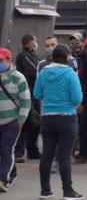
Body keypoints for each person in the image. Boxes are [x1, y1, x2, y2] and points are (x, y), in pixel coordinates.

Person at [34, 44, 83, 200]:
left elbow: (37, 93)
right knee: (64, 156)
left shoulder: (43, 72)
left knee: (47, 155)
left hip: (47, 117)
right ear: (67, 56)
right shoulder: (70, 74)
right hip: (66, 117)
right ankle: (67, 191)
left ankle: (45, 191)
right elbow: (77, 98)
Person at [0, 48, 31, 192]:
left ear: (9, 60)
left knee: (6, 148)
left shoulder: (18, 77)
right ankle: (11, 173)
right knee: (4, 150)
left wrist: (21, 119)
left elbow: (26, 100)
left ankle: (2, 180)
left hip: (12, 121)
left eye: (1, 61)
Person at [69, 33, 87, 164]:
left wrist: (82, 101)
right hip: (71, 99)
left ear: (83, 42)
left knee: (84, 127)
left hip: (85, 99)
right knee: (72, 127)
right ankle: (71, 151)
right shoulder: (71, 58)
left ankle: (84, 154)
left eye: (77, 42)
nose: (75, 45)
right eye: (72, 42)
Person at [14, 34, 41, 162]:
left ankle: (33, 151)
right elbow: (34, 71)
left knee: (35, 123)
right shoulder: (23, 55)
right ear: (29, 42)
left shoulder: (34, 55)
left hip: (35, 93)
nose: (36, 43)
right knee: (25, 123)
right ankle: (18, 152)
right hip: (26, 93)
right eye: (34, 41)